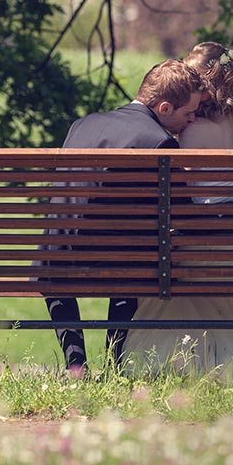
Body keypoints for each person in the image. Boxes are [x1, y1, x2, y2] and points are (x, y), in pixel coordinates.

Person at [122, 41, 233, 380]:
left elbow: (182, 202)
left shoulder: (192, 131)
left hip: (208, 252)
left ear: (205, 84)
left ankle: (180, 366)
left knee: (162, 263)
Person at [42, 59, 204, 375]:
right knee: (137, 252)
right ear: (165, 107)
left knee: (68, 259)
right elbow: (185, 212)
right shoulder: (158, 142)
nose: (193, 119)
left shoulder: (82, 125)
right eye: (189, 113)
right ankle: (116, 364)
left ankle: (76, 365)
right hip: (120, 262)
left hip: (56, 260)